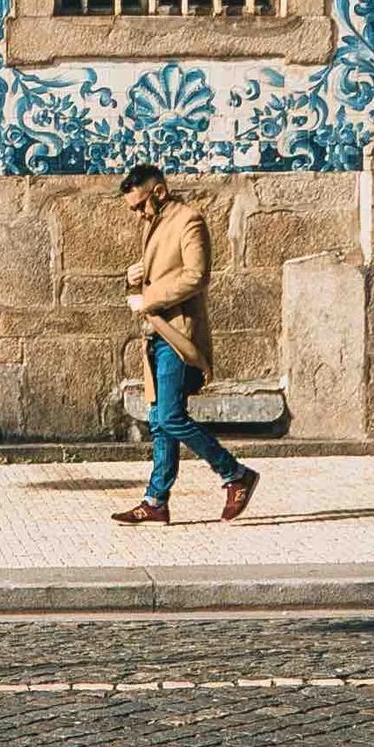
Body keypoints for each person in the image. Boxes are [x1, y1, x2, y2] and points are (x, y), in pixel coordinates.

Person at [110, 161, 259, 526]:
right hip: (156, 333)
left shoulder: (189, 220)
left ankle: (235, 474)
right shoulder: (154, 224)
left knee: (171, 416)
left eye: (141, 204)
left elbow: (196, 276)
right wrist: (137, 275)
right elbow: (166, 270)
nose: (139, 214)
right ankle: (156, 501)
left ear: (159, 192)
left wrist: (149, 298)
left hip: (178, 334)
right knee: (160, 422)